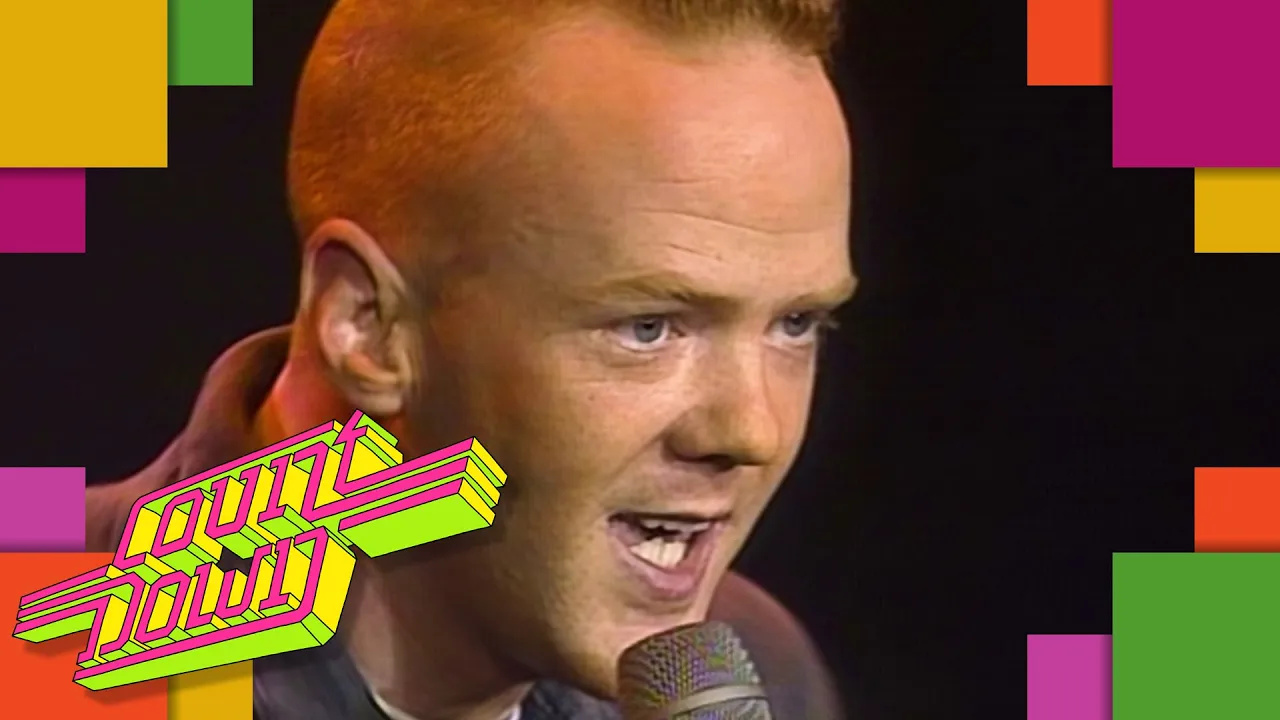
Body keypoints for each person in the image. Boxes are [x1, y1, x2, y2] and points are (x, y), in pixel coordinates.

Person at [85, 0, 856, 717]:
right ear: (368, 327)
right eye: (648, 328)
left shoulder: (748, 672)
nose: (751, 431)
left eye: (796, 324)